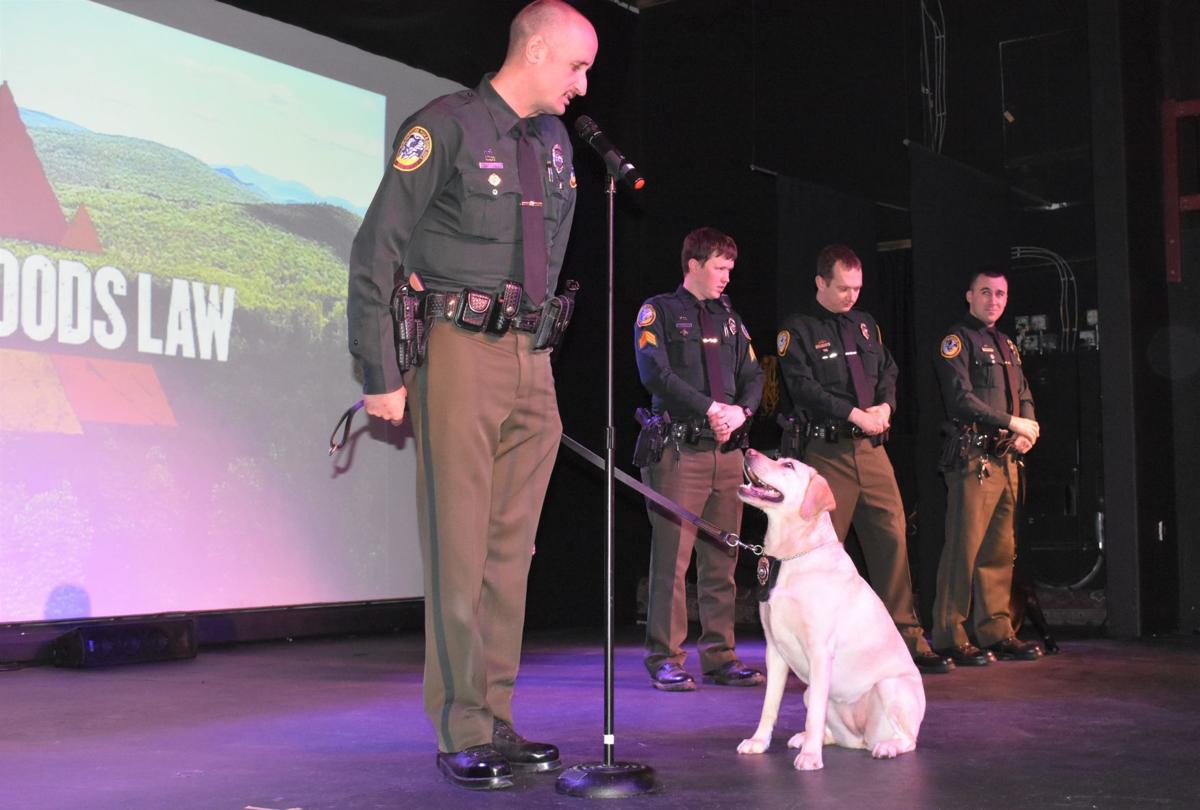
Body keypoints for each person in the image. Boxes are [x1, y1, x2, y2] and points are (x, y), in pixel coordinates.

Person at [346, 0, 597, 791]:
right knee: (459, 548)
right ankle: (460, 728)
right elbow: (375, 249)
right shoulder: (445, 126)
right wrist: (381, 372)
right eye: (576, 67)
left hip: (534, 356)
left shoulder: (556, 144)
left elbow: (548, 253)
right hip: (458, 350)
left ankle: (497, 716)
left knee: (509, 555)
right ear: (533, 50)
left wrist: (539, 346)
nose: (583, 86)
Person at [775, 244, 952, 674]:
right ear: (820, 282)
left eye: (857, 288)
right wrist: (852, 412)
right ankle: (822, 644)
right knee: (823, 553)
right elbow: (802, 387)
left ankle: (905, 636)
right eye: (842, 288)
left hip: (872, 452)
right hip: (827, 451)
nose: (851, 296)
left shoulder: (865, 326)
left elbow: (889, 372)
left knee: (892, 539)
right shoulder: (796, 329)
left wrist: (886, 408)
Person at [632, 227, 766, 692]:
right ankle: (665, 658)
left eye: (731, 268)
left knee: (721, 560)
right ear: (693, 264)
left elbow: (753, 372)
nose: (728, 276)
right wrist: (709, 408)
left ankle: (720, 656)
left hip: (726, 454)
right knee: (673, 561)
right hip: (679, 451)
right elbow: (654, 371)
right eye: (720, 267)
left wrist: (741, 411)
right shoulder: (660, 311)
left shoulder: (729, 318)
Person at [931, 267, 1044, 666]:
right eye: (985, 293)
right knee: (964, 549)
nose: (993, 301)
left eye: (1000, 294)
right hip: (973, 458)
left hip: (1007, 459)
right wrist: (1012, 422)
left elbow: (1024, 394)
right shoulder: (956, 340)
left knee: (1000, 551)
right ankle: (949, 634)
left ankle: (996, 630)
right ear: (969, 296)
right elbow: (960, 399)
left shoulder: (1008, 344)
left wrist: (1026, 429)